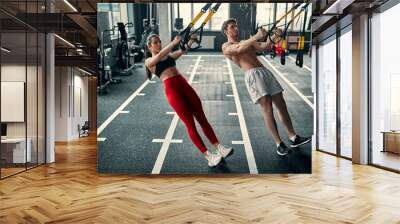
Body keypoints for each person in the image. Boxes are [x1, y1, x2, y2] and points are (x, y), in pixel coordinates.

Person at [221, 18, 311, 156]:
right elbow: (239, 49)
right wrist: (256, 36)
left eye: (236, 26)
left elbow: (265, 46)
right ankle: (278, 143)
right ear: (226, 31)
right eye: (232, 27)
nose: (236, 29)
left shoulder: (246, 42)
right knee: (268, 108)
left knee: (281, 104)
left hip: (265, 72)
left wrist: (276, 36)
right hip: (252, 75)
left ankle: (293, 137)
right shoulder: (226, 46)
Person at [144, 34, 233, 167]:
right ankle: (209, 156)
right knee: (190, 124)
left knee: (202, 119)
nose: (159, 44)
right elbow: (160, 54)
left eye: (159, 41)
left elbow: (182, 51)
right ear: (149, 46)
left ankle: (219, 147)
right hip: (173, 92)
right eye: (155, 42)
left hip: (184, 86)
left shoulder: (168, 56)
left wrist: (191, 40)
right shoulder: (149, 61)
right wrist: (173, 43)